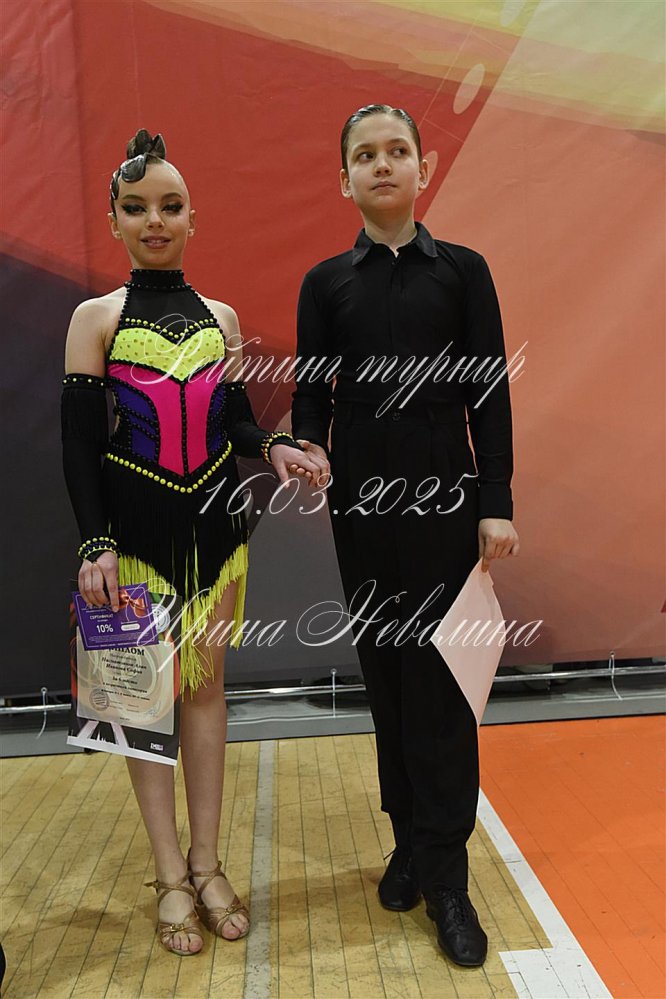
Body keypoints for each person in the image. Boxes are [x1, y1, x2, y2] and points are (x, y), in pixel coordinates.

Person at [61, 129, 326, 957]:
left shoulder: (222, 317)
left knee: (205, 694)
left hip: (216, 536)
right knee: (145, 707)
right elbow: (78, 445)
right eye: (136, 207)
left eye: (170, 206)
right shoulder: (96, 318)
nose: (155, 220)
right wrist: (95, 544)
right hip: (134, 542)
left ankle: (209, 863)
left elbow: (234, 419)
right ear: (113, 219)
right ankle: (170, 872)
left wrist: (273, 447)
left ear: (192, 218)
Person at [290, 104, 519, 967]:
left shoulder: (464, 271)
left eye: (397, 151)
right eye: (365, 155)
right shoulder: (325, 284)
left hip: (446, 502)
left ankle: (448, 875)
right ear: (342, 178)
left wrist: (494, 499)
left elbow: (489, 392)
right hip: (361, 505)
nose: (381, 165)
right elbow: (311, 394)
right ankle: (410, 844)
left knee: (442, 684)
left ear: (424, 168)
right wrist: (308, 443)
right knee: (387, 675)